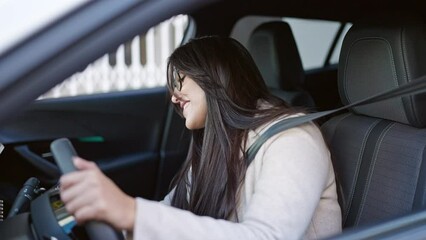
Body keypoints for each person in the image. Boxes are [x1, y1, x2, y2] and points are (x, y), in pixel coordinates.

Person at [59, 36, 342, 240]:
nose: (173, 95)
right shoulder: (222, 143)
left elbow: (267, 237)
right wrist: (110, 216)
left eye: (180, 80)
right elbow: (172, 209)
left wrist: (132, 213)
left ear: (215, 76)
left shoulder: (293, 139)